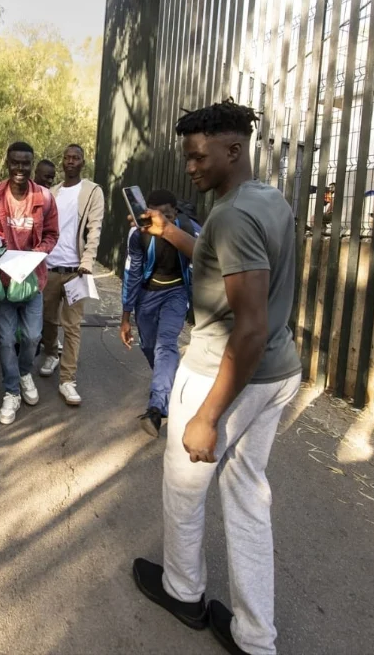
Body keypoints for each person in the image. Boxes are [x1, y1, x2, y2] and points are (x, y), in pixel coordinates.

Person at [130, 100, 302, 655]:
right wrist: (171, 233)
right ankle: (256, 638)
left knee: (184, 486)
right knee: (248, 494)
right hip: (279, 372)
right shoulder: (265, 199)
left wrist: (207, 417)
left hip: (223, 373)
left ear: (234, 149)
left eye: (199, 156)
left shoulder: (231, 215)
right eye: (187, 157)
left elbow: (247, 330)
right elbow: (223, 258)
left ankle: (184, 591)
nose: (190, 168)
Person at [0, 141, 59, 426]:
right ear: (9, 162)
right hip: (3, 281)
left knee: (33, 337)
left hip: (32, 280)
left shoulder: (45, 198)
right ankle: (11, 391)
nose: (20, 168)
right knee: (5, 339)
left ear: (32, 163)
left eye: (26, 163)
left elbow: (51, 234)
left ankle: (25, 373)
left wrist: (35, 256)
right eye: (15, 162)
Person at [119, 189, 200, 436]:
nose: (160, 219)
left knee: (166, 345)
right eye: (154, 214)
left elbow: (210, 261)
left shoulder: (190, 230)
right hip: (147, 294)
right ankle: (166, 387)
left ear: (174, 213)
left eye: (165, 214)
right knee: (149, 346)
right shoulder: (139, 235)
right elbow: (132, 273)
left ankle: (156, 408)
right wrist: (126, 316)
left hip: (176, 293)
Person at [39, 144, 104, 407]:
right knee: (47, 319)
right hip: (50, 268)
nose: (70, 162)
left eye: (75, 158)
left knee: (73, 326)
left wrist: (87, 261)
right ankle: (51, 353)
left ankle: (68, 380)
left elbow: (95, 228)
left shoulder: (92, 191)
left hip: (76, 271)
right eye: (66, 158)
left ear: (82, 162)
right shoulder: (52, 192)